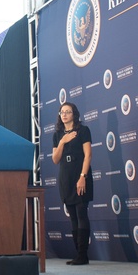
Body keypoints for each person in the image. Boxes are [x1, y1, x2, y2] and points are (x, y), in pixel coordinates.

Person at [51, 102, 93, 265]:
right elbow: (55, 159)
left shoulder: (83, 131)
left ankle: (83, 255)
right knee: (73, 217)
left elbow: (88, 155)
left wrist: (83, 176)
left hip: (80, 173)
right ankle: (78, 254)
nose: (64, 114)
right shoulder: (57, 135)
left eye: (68, 112)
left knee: (81, 213)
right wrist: (62, 141)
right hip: (65, 176)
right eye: (62, 112)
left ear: (74, 114)